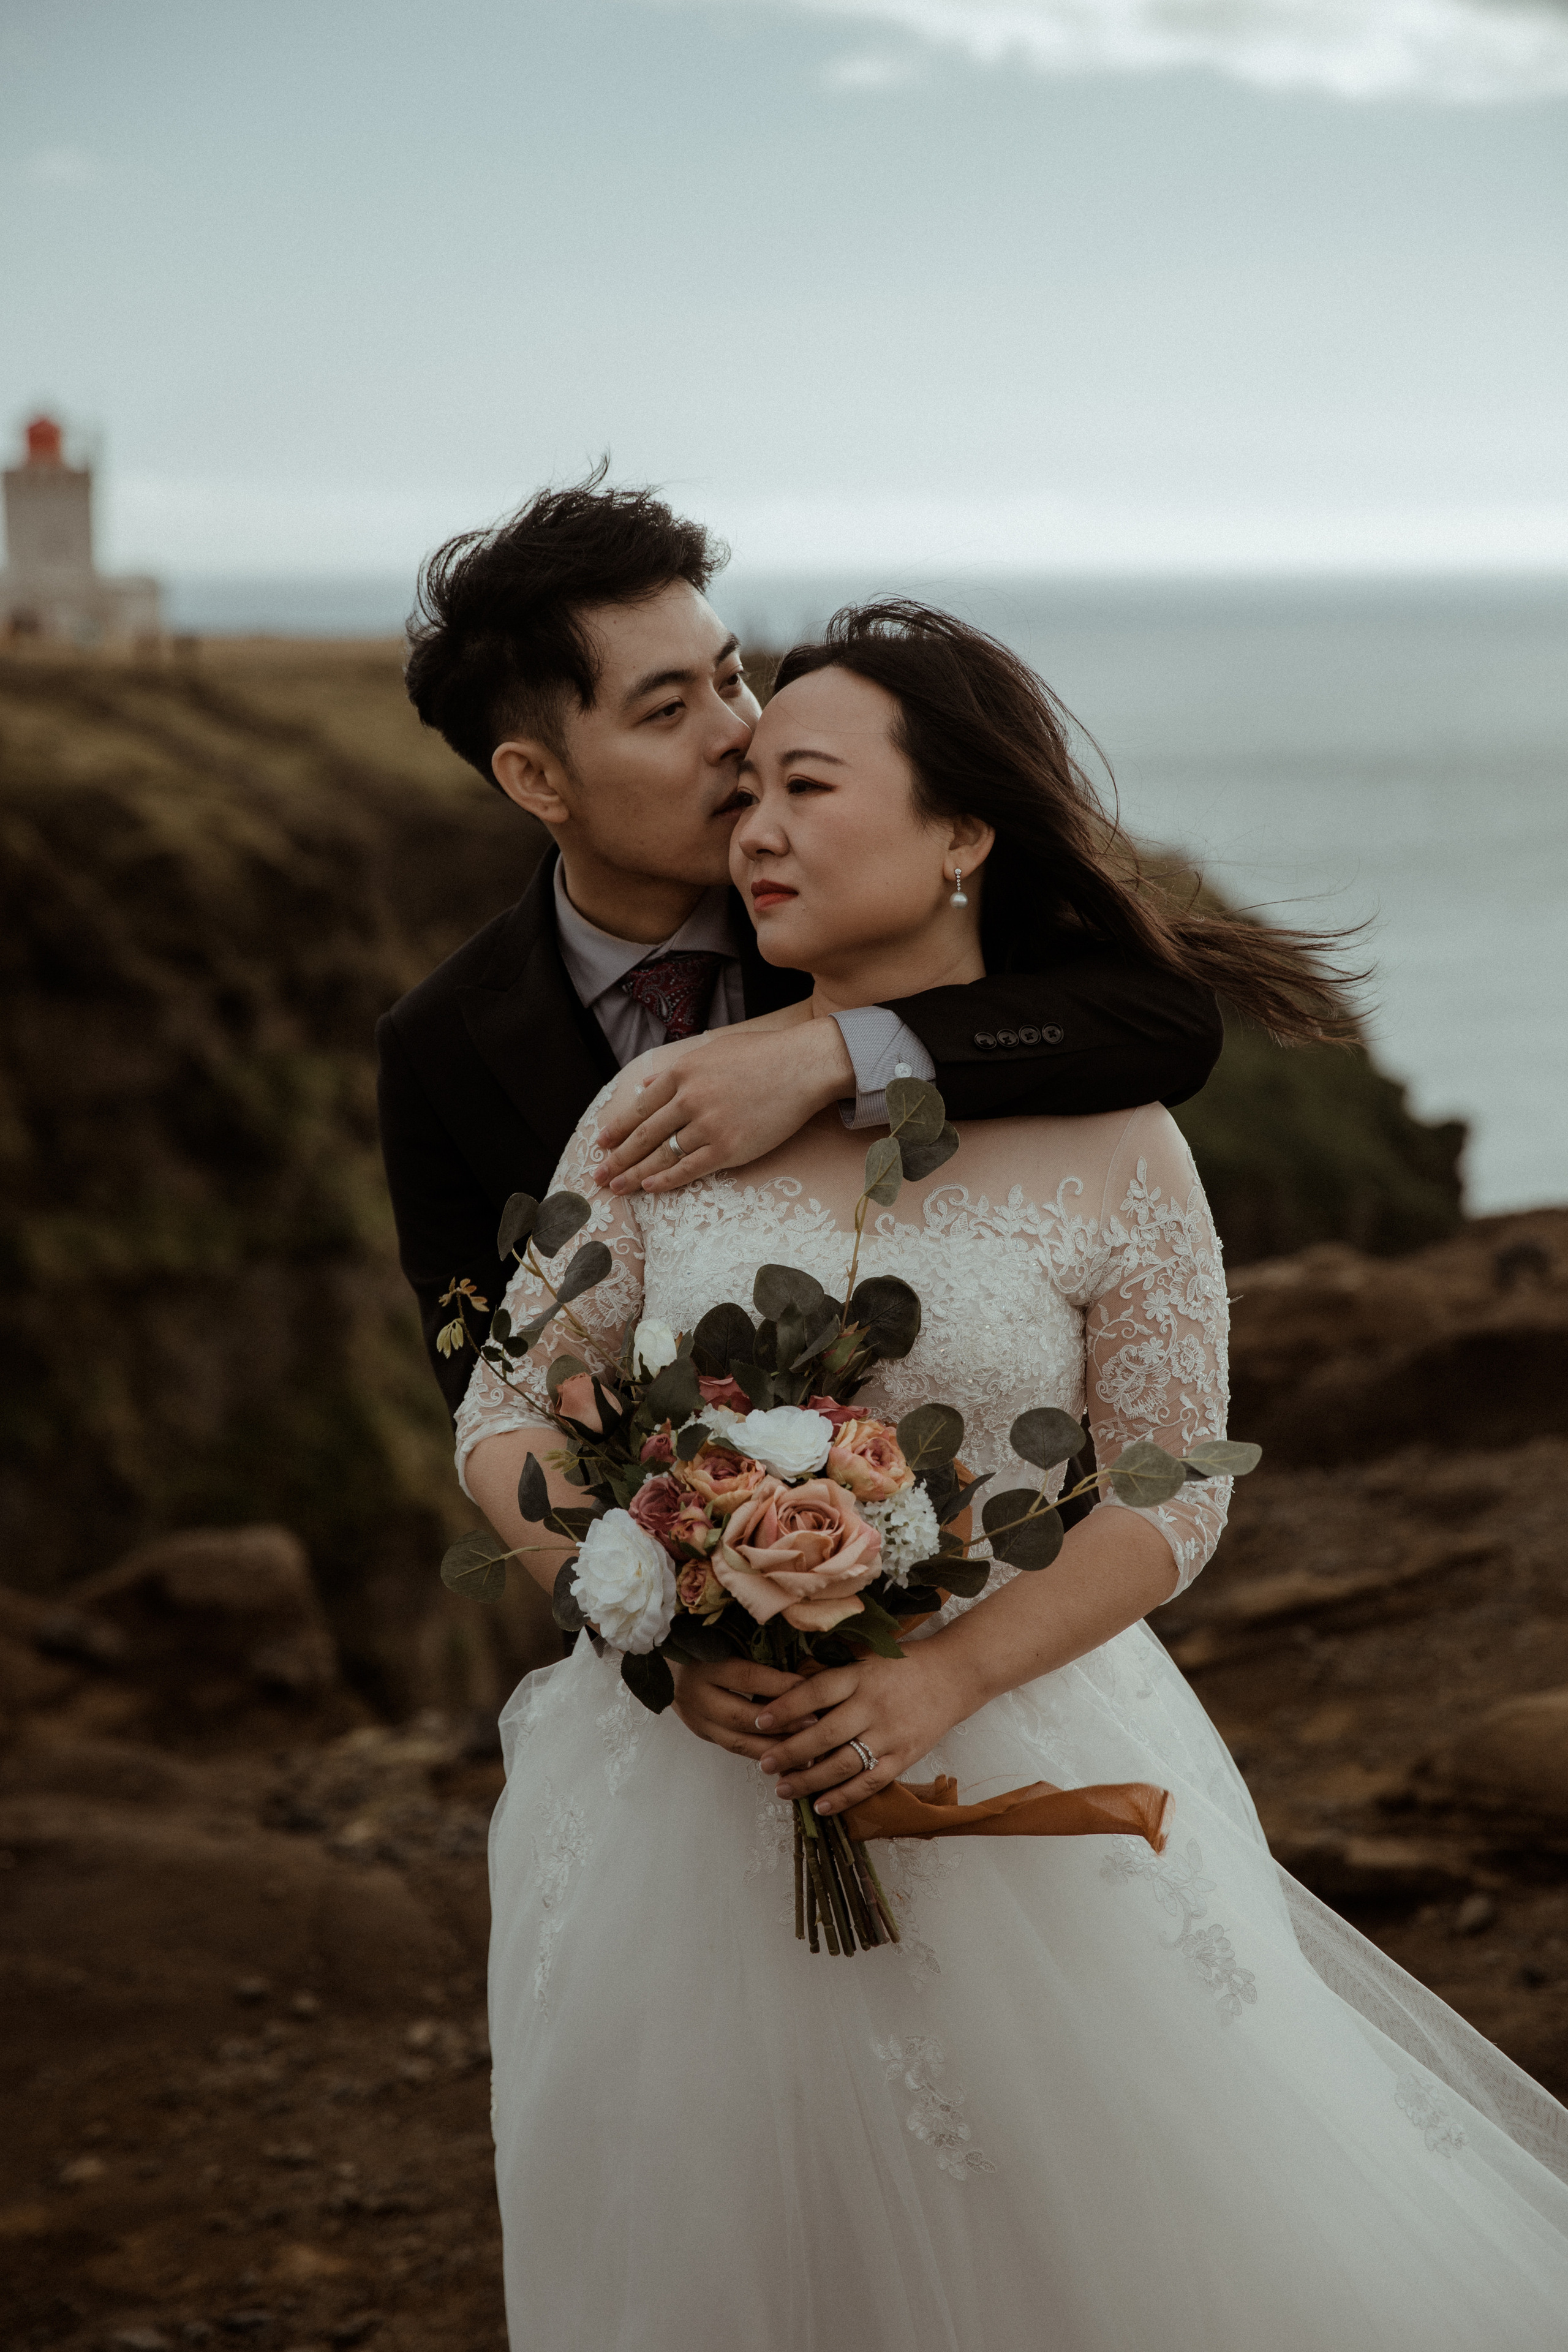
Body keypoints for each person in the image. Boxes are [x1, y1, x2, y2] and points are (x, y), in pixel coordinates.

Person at [457, 602, 1568, 2350]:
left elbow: (1173, 1483)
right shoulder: (657, 1110)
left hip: (1019, 1757)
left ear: (965, 829)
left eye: (804, 786)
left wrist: (946, 1675)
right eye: (739, 792)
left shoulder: (1119, 1134)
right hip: (681, 1791)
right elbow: (506, 1410)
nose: (752, 829)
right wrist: (635, 1592)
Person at [379, 477, 1224, 1421]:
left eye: (731, 678)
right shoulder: (441, 1046)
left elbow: (1170, 1021)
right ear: (536, 778)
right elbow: (491, 1389)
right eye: (668, 712)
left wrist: (835, 1054)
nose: (739, 735)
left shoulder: (862, 904)